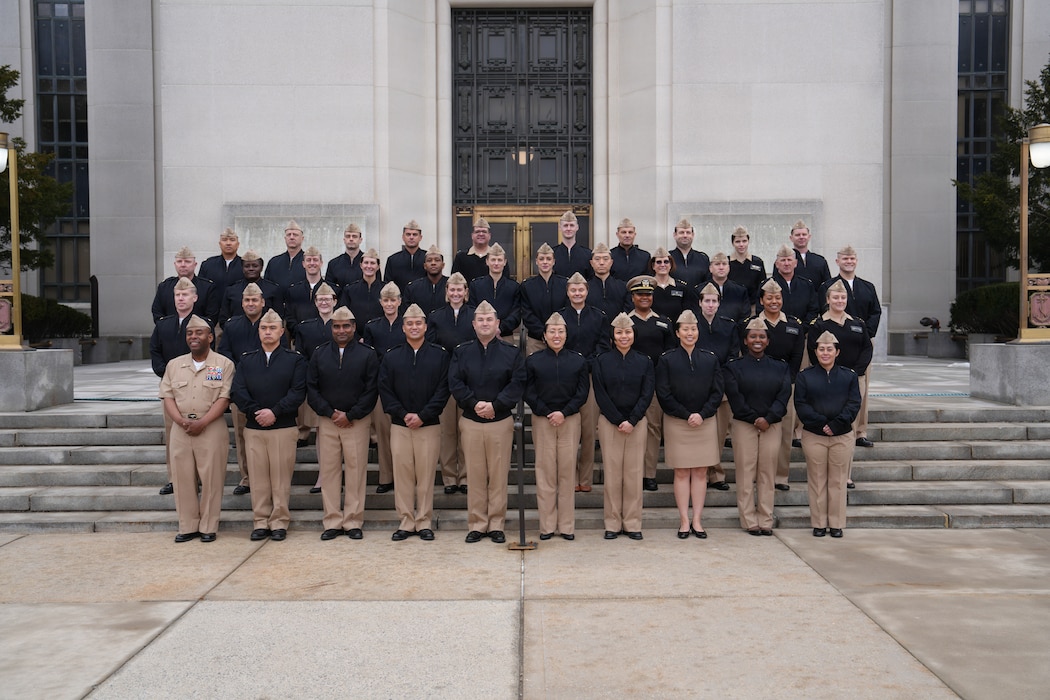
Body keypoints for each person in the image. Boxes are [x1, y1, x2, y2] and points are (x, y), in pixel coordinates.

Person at [449, 300, 526, 544]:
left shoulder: (511, 353)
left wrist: (495, 405)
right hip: (471, 420)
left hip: (500, 421)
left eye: (489, 319)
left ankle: (496, 524)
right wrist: (474, 404)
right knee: (475, 474)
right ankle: (477, 523)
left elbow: (517, 384)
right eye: (480, 320)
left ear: (497, 324)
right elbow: (456, 383)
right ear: (473, 324)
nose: (485, 323)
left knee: (498, 474)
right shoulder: (461, 352)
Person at [230, 309, 307, 542]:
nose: (268, 332)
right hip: (254, 428)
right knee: (258, 477)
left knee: (281, 478)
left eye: (273, 328)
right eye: (264, 328)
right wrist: (256, 412)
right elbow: (238, 391)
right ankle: (260, 521)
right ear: (259, 331)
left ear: (282, 332)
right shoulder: (246, 359)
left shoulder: (295, 360)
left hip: (283, 428)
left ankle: (279, 521)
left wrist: (275, 412)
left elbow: (298, 392)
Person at [159, 315, 235, 543]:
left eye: (199, 333)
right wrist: (181, 422)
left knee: (212, 478)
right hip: (180, 428)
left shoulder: (222, 365)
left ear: (210, 337)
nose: (194, 337)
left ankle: (208, 527)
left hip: (210, 427)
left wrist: (201, 422)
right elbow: (167, 396)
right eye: (190, 333)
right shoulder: (174, 365)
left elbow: (224, 398)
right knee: (182, 479)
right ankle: (187, 526)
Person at [379, 303, 451, 541]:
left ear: (425, 326)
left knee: (426, 475)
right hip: (400, 426)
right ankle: (406, 521)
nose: (414, 327)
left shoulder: (440, 355)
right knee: (403, 475)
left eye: (418, 323)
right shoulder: (392, 357)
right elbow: (385, 390)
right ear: (403, 327)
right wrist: (402, 414)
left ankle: (424, 521)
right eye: (409, 323)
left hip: (428, 425)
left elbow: (443, 390)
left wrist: (423, 415)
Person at [307, 306, 379, 541]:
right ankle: (332, 521)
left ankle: (353, 520)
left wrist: (351, 414)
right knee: (329, 472)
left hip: (356, 421)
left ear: (354, 327)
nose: (341, 330)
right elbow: (312, 388)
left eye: (346, 326)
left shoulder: (367, 354)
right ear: (331, 328)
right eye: (337, 326)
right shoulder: (319, 354)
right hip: (328, 421)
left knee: (356, 472)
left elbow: (371, 389)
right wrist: (330, 412)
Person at [656, 310, 724, 539]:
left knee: (701, 472)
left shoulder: (710, 358)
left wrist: (702, 414)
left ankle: (698, 520)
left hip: (704, 422)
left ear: (698, 331)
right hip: (678, 422)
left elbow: (717, 392)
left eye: (693, 329)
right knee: (682, 472)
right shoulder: (666, 359)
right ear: (677, 333)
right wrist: (686, 415)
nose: (690, 333)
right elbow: (663, 394)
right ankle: (684, 520)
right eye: (685, 329)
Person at [218, 282, 288, 496]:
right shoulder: (231, 326)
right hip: (242, 392)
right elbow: (223, 355)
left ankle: (275, 478)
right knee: (242, 437)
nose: (251, 303)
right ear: (242, 303)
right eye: (247, 300)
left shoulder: (273, 324)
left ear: (262, 302)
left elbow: (282, 355)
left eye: (255, 300)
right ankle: (247, 477)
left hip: (273, 392)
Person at [524, 312, 589, 541]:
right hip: (543, 420)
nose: (556, 335)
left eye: (560, 331)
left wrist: (564, 412)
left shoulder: (579, 360)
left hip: (569, 420)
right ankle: (547, 526)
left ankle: (567, 526)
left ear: (566, 334)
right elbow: (529, 392)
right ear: (544, 335)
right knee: (545, 473)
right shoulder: (533, 361)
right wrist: (546, 412)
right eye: (552, 331)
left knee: (567, 473)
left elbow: (582, 393)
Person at [723, 318, 792, 536]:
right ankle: (748, 519)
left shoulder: (780, 367)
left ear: (768, 340)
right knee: (745, 473)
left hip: (771, 425)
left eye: (762, 336)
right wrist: (755, 418)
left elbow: (783, 396)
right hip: (745, 425)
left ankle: (766, 518)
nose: (757, 340)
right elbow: (735, 397)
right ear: (745, 340)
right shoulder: (734, 367)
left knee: (767, 473)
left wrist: (769, 418)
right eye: (753, 336)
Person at [592, 312, 655, 540]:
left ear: (633, 335)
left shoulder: (645, 361)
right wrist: (618, 420)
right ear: (612, 336)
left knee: (633, 474)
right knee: (612, 475)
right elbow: (600, 394)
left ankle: (632, 523)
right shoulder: (601, 361)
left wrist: (632, 419)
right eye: (619, 332)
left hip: (636, 424)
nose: (624, 336)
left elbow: (647, 393)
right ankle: (612, 523)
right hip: (610, 423)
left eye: (627, 332)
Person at [795, 331, 861, 538]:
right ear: (815, 352)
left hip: (841, 436)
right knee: (817, 479)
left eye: (829, 349)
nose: (825, 353)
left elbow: (854, 404)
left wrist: (835, 424)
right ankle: (819, 523)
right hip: (814, 435)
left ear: (837, 351)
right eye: (821, 349)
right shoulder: (805, 376)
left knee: (838, 480)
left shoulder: (849, 376)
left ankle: (836, 523)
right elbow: (801, 405)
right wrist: (822, 424)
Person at [809, 280, 873, 488]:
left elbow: (866, 349)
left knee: (849, 428)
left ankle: (845, 473)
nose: (839, 301)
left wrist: (854, 373)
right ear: (828, 300)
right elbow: (812, 351)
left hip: (854, 380)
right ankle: (826, 472)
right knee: (827, 424)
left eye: (843, 297)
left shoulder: (857, 323)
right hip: (826, 380)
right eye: (835, 297)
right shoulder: (819, 324)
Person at [820, 245, 881, 449]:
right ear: (837, 261)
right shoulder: (827, 286)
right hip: (831, 344)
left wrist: (866, 333)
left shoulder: (867, 286)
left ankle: (860, 431)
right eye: (845, 258)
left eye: (852, 258)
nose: (849, 261)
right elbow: (822, 312)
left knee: (861, 388)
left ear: (856, 260)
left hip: (860, 344)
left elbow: (876, 312)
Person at [747, 278, 805, 491]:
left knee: (785, 432)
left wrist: (786, 382)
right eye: (769, 297)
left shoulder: (793, 326)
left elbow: (796, 357)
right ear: (761, 300)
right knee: (754, 434)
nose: (774, 301)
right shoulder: (751, 325)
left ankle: (781, 476)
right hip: (754, 387)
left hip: (784, 387)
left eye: (777, 298)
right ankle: (755, 476)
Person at [558, 272, 609, 492]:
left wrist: (585, 364)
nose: (577, 293)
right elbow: (556, 342)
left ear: (587, 292)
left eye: (581, 289)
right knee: (568, 432)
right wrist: (572, 365)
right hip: (565, 378)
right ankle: (568, 477)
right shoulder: (559, 317)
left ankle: (585, 479)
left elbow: (603, 346)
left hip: (589, 376)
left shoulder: (599, 316)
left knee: (588, 431)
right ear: (568, 292)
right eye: (573, 289)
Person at [426, 272, 476, 495]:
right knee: (447, 431)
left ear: (466, 293)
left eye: (460, 290)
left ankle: (465, 476)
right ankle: (449, 477)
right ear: (446, 293)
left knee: (466, 431)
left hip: (470, 380)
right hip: (444, 379)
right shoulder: (436, 316)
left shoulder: (474, 315)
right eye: (452, 290)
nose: (456, 293)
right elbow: (431, 347)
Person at [149, 277, 198, 496]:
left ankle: (197, 477)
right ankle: (174, 478)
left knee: (197, 435)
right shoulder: (163, 324)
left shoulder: (201, 324)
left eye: (185, 294)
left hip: (197, 388)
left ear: (194, 298)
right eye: (178, 295)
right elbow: (155, 352)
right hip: (171, 389)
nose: (180, 298)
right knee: (173, 435)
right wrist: (167, 374)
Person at [627, 276, 676, 492]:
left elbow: (670, 355)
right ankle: (632, 472)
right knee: (632, 428)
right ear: (633, 297)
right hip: (630, 384)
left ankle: (649, 474)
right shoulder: (624, 322)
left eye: (648, 295)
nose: (644, 298)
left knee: (654, 429)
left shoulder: (664, 322)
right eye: (640, 295)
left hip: (655, 383)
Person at [696, 282, 740, 491]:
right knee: (701, 434)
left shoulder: (728, 325)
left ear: (719, 303)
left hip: (721, 385)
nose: (711, 305)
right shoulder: (693, 324)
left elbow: (733, 355)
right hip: (698, 385)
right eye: (707, 301)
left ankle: (716, 474)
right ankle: (700, 474)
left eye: (714, 301)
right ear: (700, 303)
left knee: (720, 433)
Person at [363, 281, 405, 496]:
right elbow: (369, 357)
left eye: (393, 300)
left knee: (403, 434)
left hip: (404, 385)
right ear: (381, 302)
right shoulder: (372, 326)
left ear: (399, 301)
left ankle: (404, 476)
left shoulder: (407, 324)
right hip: (381, 385)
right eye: (386, 300)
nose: (389, 304)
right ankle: (387, 476)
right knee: (383, 432)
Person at [293, 282, 338, 458]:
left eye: (327, 299)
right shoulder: (305, 327)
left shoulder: (343, 325)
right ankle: (323, 475)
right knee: (321, 428)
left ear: (335, 301)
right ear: (315, 302)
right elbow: (301, 356)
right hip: (315, 384)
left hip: (339, 383)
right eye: (320, 299)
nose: (324, 303)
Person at [519, 242, 569, 356]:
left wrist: (555, 333)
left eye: (548, 258)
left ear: (554, 261)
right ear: (536, 261)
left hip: (560, 339)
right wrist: (543, 333)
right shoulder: (527, 286)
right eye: (541, 259)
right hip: (536, 340)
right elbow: (526, 313)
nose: (545, 262)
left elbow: (567, 310)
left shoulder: (564, 284)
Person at [151, 246, 220, 326]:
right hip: (170, 332)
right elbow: (157, 313)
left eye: (187, 261)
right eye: (179, 261)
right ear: (175, 264)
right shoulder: (164, 287)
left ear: (195, 264)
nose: (183, 265)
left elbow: (212, 316)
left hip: (198, 334)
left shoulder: (207, 287)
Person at [468, 242, 521, 342]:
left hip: (505, 336)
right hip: (480, 336)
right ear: (487, 261)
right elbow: (471, 310)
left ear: (504, 262)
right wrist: (486, 329)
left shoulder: (514, 286)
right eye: (493, 260)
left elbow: (516, 314)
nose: (496, 263)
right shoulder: (476, 285)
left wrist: (499, 329)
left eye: (499, 260)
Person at [219, 250, 282, 326]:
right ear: (242, 268)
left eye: (255, 266)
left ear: (261, 268)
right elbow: (224, 319)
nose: (251, 269)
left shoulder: (273, 289)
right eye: (247, 266)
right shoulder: (231, 290)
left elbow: (279, 316)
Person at [761, 244, 818, 325]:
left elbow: (813, 310)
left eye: (789, 260)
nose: (786, 263)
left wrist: (803, 328)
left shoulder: (807, 285)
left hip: (803, 331)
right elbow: (761, 309)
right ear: (777, 264)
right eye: (783, 260)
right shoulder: (766, 285)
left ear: (795, 263)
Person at [648, 246, 698, 324]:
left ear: (671, 265)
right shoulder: (648, 287)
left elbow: (687, 311)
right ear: (653, 266)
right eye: (658, 262)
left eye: (666, 262)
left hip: (676, 330)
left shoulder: (681, 287)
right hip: (654, 330)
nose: (662, 265)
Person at [284, 246, 330, 327]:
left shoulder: (332, 290)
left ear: (321, 263)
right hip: (299, 336)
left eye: (315, 260)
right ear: (303, 264)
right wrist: (299, 332)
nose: (312, 263)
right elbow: (289, 317)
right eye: (308, 260)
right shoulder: (293, 291)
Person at [339, 248, 385, 327]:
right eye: (366, 263)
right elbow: (344, 314)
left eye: (372, 263)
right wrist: (356, 337)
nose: (369, 266)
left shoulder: (385, 290)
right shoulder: (350, 290)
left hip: (380, 336)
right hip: (355, 336)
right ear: (361, 265)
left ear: (378, 267)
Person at [586, 242, 631, 320]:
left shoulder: (623, 287)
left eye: (605, 259)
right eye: (597, 259)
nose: (601, 263)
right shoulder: (585, 288)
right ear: (591, 263)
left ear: (611, 262)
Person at [198, 227, 243, 302]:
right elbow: (201, 289)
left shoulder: (245, 265)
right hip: (212, 310)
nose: (228, 243)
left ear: (238, 244)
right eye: (224, 240)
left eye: (232, 240)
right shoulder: (208, 265)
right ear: (219, 244)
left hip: (237, 310)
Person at [704, 251, 751, 323]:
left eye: (724, 264)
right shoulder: (700, 290)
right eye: (717, 264)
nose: (721, 267)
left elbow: (745, 316)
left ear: (729, 268)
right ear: (710, 268)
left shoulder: (740, 291)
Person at [404, 245, 449, 316]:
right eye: (429, 260)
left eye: (437, 260)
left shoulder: (451, 287)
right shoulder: (413, 288)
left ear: (443, 265)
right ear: (425, 266)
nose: (433, 263)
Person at [264, 220, 307, 292]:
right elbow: (267, 287)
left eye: (295, 235)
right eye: (289, 234)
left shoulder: (309, 262)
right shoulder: (274, 262)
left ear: (302, 238)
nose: (292, 237)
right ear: (285, 238)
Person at [727, 226, 766, 307]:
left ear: (748, 242)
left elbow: (763, 286)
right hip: (732, 306)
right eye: (737, 241)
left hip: (753, 307)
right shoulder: (726, 262)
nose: (741, 244)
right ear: (732, 243)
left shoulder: (757, 262)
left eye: (744, 241)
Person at [383, 219, 427, 291]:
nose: (411, 237)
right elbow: (388, 285)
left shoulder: (428, 258)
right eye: (408, 234)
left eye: (415, 234)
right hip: (400, 300)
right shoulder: (393, 260)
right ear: (403, 237)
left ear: (420, 237)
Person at [790, 219, 832, 291]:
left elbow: (828, 287)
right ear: (791, 238)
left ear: (809, 237)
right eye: (797, 235)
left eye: (804, 234)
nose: (801, 237)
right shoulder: (784, 261)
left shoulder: (820, 261)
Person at [669, 218, 710, 289]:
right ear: (675, 235)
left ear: (693, 235)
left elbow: (708, 283)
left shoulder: (703, 259)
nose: (685, 235)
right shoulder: (667, 258)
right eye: (681, 232)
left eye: (688, 232)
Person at [325, 222, 366, 289]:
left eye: (354, 236)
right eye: (348, 236)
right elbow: (329, 290)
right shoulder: (333, 264)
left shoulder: (369, 263)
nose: (351, 239)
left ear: (360, 240)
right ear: (344, 240)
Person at [552, 210, 592, 279]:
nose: (568, 228)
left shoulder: (588, 254)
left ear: (577, 227)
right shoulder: (552, 254)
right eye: (565, 225)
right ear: (560, 228)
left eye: (572, 225)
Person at [452, 217, 492, 284]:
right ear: (472, 235)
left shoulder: (497, 257)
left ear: (489, 235)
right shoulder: (461, 257)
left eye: (484, 231)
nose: (481, 234)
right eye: (477, 231)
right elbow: (455, 282)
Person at [609, 218, 651, 282]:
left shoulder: (645, 256)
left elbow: (648, 279)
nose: (627, 235)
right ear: (617, 234)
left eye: (630, 232)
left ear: (634, 234)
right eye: (623, 232)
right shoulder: (610, 256)